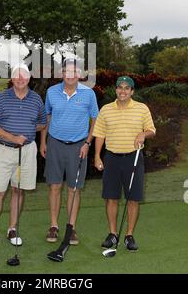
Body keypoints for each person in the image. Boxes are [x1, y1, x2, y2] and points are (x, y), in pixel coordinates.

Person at [0, 64, 47, 252]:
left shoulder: (36, 99)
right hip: (3, 151)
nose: (20, 79)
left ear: (29, 79)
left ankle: (12, 229)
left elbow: (42, 123)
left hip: (27, 151)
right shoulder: (2, 98)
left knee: (18, 191)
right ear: (12, 79)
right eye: (17, 77)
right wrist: (13, 137)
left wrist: (32, 133)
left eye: (24, 76)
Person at [93, 75, 156, 251]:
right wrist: (97, 156)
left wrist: (144, 134)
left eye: (126, 88)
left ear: (132, 91)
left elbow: (151, 130)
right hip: (112, 158)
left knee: (133, 199)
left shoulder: (142, 109)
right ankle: (113, 234)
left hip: (133, 158)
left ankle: (129, 235)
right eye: (120, 87)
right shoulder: (105, 109)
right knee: (111, 197)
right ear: (116, 90)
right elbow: (100, 134)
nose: (123, 91)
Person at [40, 59, 99, 245]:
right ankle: (54, 226)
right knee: (55, 186)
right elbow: (46, 117)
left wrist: (88, 143)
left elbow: (95, 120)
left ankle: (71, 227)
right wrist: (43, 141)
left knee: (74, 188)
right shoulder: (51, 92)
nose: (71, 75)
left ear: (80, 74)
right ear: (62, 73)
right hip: (55, 144)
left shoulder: (89, 94)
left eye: (74, 71)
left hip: (79, 146)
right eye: (67, 71)